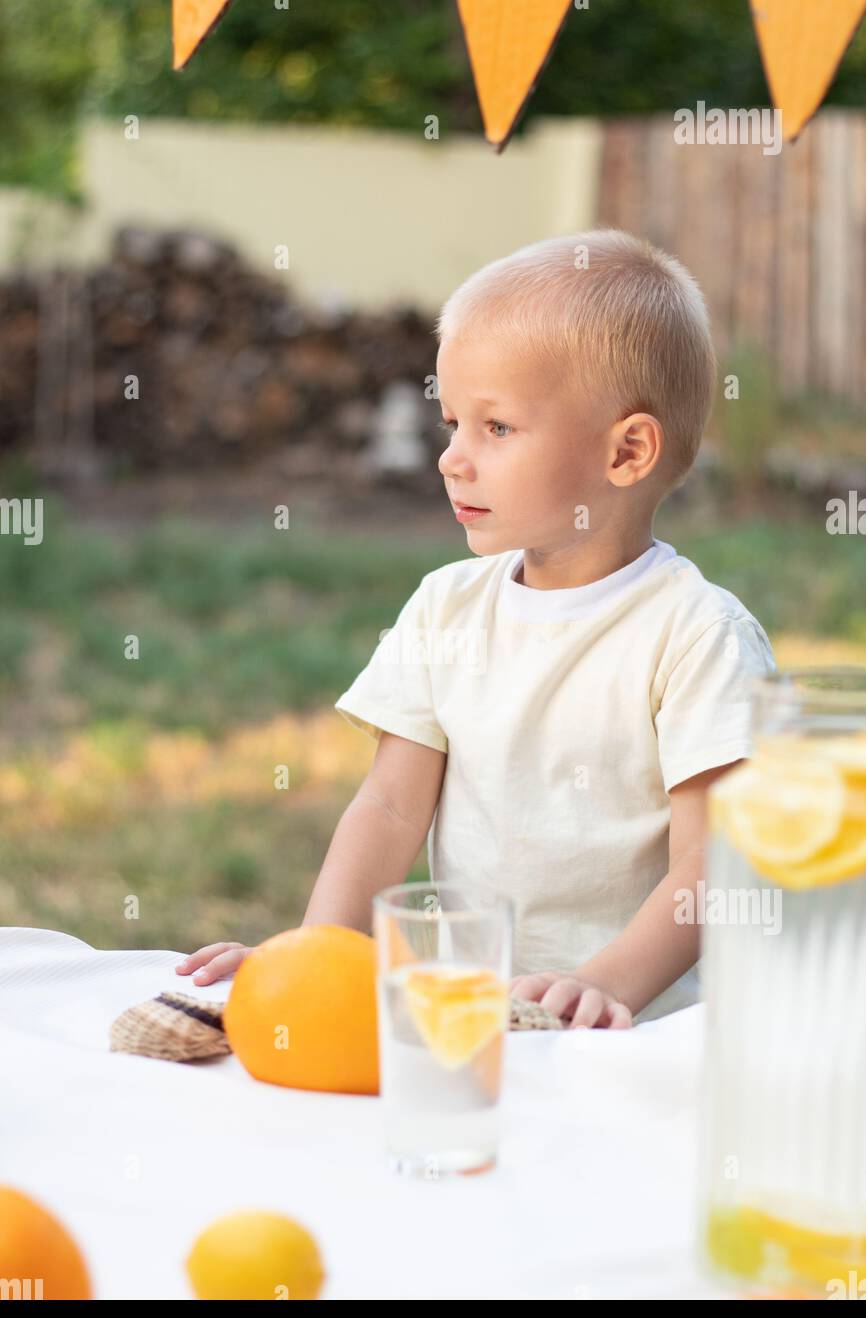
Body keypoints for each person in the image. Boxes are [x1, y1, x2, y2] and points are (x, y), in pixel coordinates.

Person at [176, 228, 775, 1027]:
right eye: (452, 422)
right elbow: (388, 810)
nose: (451, 458)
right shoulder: (445, 607)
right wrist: (314, 959)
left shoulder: (697, 636)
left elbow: (713, 864)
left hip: (637, 1036)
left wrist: (604, 986)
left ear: (627, 452)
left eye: (496, 429)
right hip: (462, 1016)